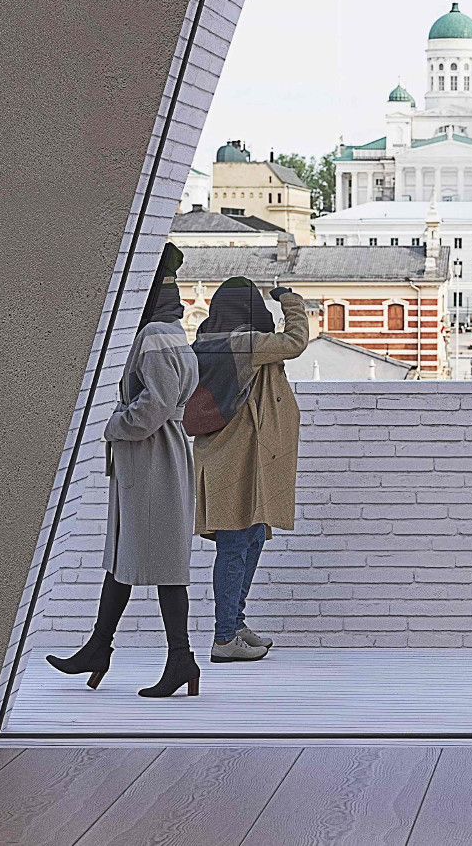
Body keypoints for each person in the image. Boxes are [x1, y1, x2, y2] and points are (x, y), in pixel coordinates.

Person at [48, 243, 202, 698]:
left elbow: (153, 405)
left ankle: (179, 659)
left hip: (153, 457)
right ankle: (102, 647)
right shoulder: (173, 332)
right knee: (126, 555)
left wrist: (114, 424)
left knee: (162, 564)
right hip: (157, 457)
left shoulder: (153, 336)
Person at [191, 278, 310, 663]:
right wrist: (290, 301)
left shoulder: (207, 341)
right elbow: (294, 342)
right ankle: (225, 637)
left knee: (250, 537)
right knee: (236, 545)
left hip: (225, 456)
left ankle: (235, 626)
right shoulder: (244, 344)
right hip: (239, 458)